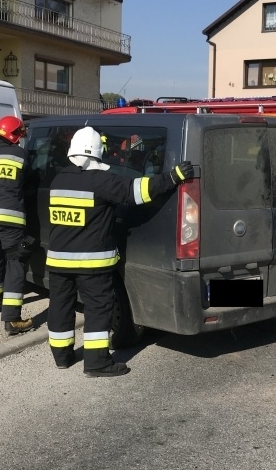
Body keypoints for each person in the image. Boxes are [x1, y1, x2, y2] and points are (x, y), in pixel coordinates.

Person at [46, 126, 194, 377]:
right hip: (91, 263)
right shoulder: (101, 181)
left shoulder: (59, 179)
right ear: (97, 153)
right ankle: (96, 363)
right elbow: (137, 192)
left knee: (60, 306)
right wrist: (172, 177)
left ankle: (62, 356)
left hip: (59, 260)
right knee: (98, 308)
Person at [0, 116, 35, 335]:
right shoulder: (19, 155)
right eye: (19, 135)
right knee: (16, 262)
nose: (20, 140)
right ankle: (11, 319)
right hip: (11, 217)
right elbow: (29, 180)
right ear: (13, 134)